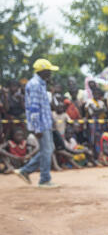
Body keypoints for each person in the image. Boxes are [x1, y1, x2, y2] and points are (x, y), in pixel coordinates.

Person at [14, 59, 60, 187]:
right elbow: (34, 108)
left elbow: (44, 106)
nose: (51, 73)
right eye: (49, 70)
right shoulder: (34, 85)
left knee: (48, 149)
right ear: (43, 71)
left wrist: (51, 121)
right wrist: (37, 128)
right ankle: (44, 179)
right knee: (46, 150)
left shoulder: (41, 84)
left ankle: (25, 171)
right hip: (40, 124)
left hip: (45, 122)